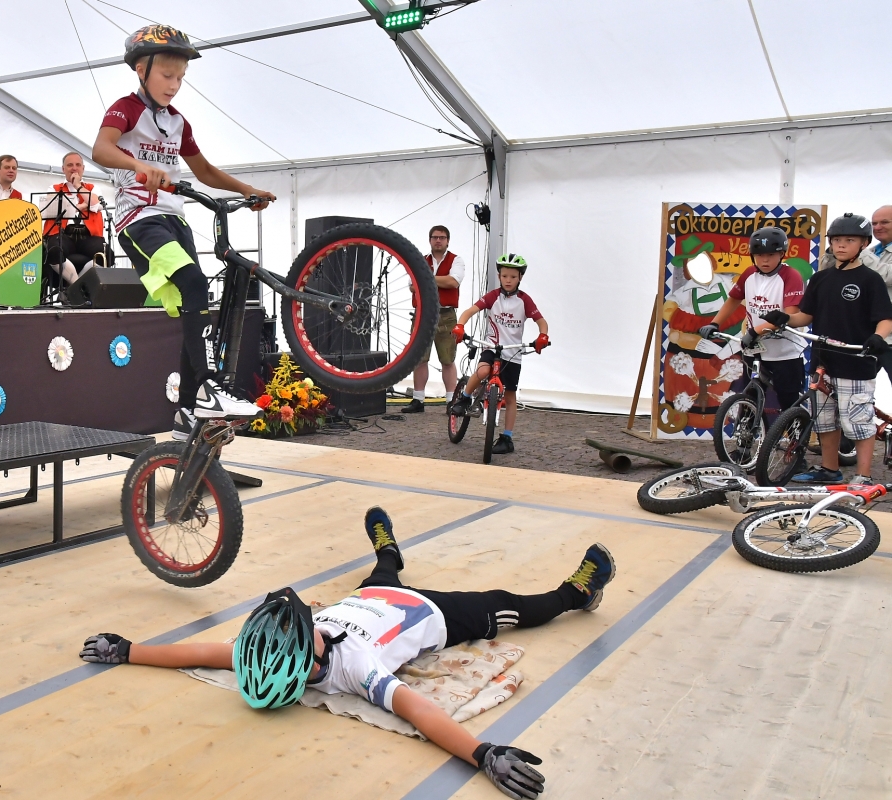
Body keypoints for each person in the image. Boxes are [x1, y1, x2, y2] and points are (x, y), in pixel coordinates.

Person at [81, 507, 615, 800]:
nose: (311, 619)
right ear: (311, 662)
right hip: (435, 612)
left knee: (382, 572)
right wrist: (483, 754)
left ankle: (388, 549)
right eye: (308, 627)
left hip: (370, 596)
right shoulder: (355, 671)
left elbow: (198, 652)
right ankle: (577, 593)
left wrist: (128, 649)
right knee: (516, 605)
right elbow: (419, 710)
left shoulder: (267, 652)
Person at [91, 24, 275, 439]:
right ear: (141, 70)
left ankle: (186, 413)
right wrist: (137, 165)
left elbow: (204, 170)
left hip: (176, 220)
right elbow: (100, 149)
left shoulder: (177, 122)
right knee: (193, 282)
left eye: (181, 78)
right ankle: (209, 389)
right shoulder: (125, 109)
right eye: (167, 75)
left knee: (194, 307)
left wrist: (247, 190)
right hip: (140, 217)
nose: (174, 85)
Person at [764, 213, 892, 484]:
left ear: (864, 244)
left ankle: (863, 477)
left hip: (856, 360)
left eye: (850, 240)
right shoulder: (821, 279)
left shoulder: (871, 279)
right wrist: (785, 318)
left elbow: (885, 318)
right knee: (824, 419)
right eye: (836, 240)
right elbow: (805, 316)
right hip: (823, 360)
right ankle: (829, 470)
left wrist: (878, 337)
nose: (841, 245)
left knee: (858, 421)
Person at [696, 226, 807, 412]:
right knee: (749, 400)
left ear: (782, 254)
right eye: (759, 255)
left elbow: (788, 316)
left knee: (788, 402)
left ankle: (794, 431)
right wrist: (715, 323)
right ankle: (748, 430)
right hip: (754, 350)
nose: (765, 260)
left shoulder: (791, 276)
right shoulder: (749, 274)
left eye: (771, 255)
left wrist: (755, 331)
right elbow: (733, 299)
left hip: (784, 353)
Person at [449, 254, 550, 455]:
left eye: (513, 277)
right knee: (482, 371)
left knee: (510, 397)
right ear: (499, 276)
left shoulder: (524, 300)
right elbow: (469, 311)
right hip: (491, 347)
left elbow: (541, 321)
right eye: (504, 276)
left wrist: (543, 336)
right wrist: (460, 325)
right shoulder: (492, 296)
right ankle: (464, 398)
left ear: (520, 278)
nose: (508, 280)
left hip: (513, 353)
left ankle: (507, 437)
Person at [404, 225, 465, 414]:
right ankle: (418, 399)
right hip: (423, 314)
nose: (438, 240)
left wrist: (426, 277)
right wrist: (439, 279)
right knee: (419, 358)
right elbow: (412, 286)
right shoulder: (420, 260)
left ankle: (451, 400)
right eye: (435, 237)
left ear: (448, 240)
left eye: (442, 237)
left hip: (446, 314)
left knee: (447, 359)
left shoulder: (456, 260)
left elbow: (453, 282)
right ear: (430, 240)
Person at [43, 151, 106, 287]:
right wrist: (84, 205)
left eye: (78, 165)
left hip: (88, 235)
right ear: (63, 169)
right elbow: (54, 208)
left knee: (106, 255)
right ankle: (77, 287)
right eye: (70, 165)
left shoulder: (94, 188)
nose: (74, 168)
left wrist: (78, 186)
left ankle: (74, 289)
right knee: (54, 251)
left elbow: (95, 203)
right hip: (63, 233)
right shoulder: (53, 188)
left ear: (83, 168)